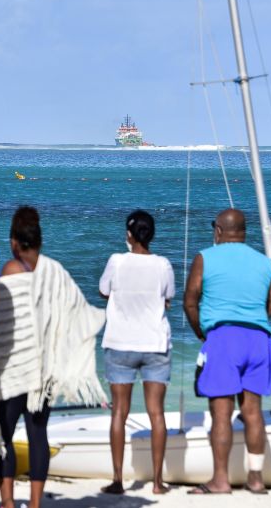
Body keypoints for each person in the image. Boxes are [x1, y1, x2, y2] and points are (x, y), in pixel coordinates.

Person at [0, 207, 107, 508]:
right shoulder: (56, 273)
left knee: (4, 435)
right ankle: (36, 503)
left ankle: (9, 503)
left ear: (14, 241)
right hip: (44, 370)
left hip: (11, 368)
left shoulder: (9, 270)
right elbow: (75, 313)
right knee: (38, 433)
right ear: (39, 240)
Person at [184, 208, 271, 495]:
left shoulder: (206, 257)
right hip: (259, 339)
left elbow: (190, 300)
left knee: (221, 414)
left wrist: (202, 333)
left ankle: (221, 480)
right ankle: (256, 478)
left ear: (218, 231)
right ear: (244, 231)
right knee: (252, 412)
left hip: (223, 337)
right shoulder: (264, 263)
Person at [98, 210, 175, 495]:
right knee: (157, 414)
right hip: (154, 344)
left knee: (119, 413)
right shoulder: (163, 264)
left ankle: (118, 480)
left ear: (129, 235)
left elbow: (103, 290)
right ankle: (157, 482)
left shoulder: (117, 261)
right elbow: (169, 296)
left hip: (120, 342)